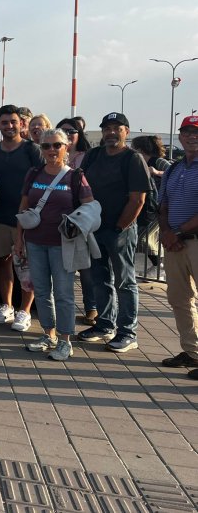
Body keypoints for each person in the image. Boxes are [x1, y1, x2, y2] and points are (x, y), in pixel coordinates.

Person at [17, 129, 95, 361]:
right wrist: (18, 239)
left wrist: (76, 222)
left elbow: (90, 206)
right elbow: (23, 207)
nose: (51, 150)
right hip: (35, 241)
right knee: (41, 291)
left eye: (56, 145)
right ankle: (48, 334)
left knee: (63, 293)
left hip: (63, 244)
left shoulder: (75, 176)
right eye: (46, 146)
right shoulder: (34, 173)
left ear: (66, 147)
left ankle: (65, 340)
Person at [78, 112, 150, 353]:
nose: (111, 132)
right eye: (107, 128)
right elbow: (81, 185)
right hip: (94, 229)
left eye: (116, 128)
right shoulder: (94, 155)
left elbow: (138, 200)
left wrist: (120, 227)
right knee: (99, 279)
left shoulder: (133, 159)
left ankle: (127, 332)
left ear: (126, 132)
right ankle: (104, 325)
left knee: (125, 281)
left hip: (120, 230)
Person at [0, 104, 43, 332]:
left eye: (13, 122)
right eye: (5, 122)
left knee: (27, 265)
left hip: (26, 219)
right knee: (2, 261)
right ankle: (6, 305)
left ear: (21, 124)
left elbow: (42, 181)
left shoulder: (32, 150)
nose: (9, 126)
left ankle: (24, 310)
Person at [157, 115, 198, 379]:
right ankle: (192, 351)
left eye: (196, 133)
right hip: (176, 244)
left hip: (193, 239)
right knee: (179, 299)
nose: (191, 137)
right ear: (180, 136)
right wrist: (166, 232)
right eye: (187, 132)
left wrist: (179, 231)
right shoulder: (173, 168)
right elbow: (163, 205)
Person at [56, 117, 96, 323]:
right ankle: (61, 308)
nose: (67, 134)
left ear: (79, 134)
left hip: (81, 220)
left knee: (86, 268)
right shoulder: (53, 154)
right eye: (62, 131)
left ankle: (92, 306)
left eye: (71, 131)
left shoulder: (87, 157)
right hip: (57, 219)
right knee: (61, 267)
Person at [132, 134, 171, 266]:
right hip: (148, 207)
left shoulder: (158, 161)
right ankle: (157, 266)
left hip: (160, 208)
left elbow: (173, 173)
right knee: (140, 236)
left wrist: (156, 172)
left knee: (144, 237)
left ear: (142, 150)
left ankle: (159, 265)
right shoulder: (140, 164)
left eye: (134, 149)